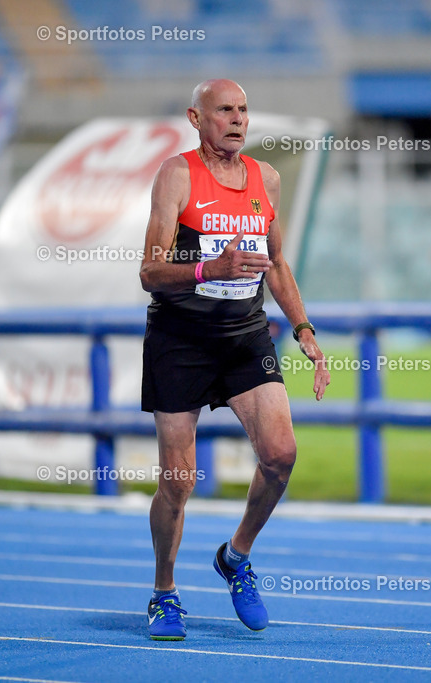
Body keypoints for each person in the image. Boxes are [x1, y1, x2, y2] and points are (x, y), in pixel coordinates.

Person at [138, 79, 330, 641]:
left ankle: (235, 555)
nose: (238, 119)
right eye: (225, 110)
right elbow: (149, 271)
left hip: (245, 334)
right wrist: (207, 270)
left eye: (243, 110)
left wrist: (304, 329)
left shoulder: (265, 179)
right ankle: (164, 593)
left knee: (281, 455)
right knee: (179, 481)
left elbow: (276, 264)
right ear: (196, 119)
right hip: (180, 338)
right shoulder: (176, 176)